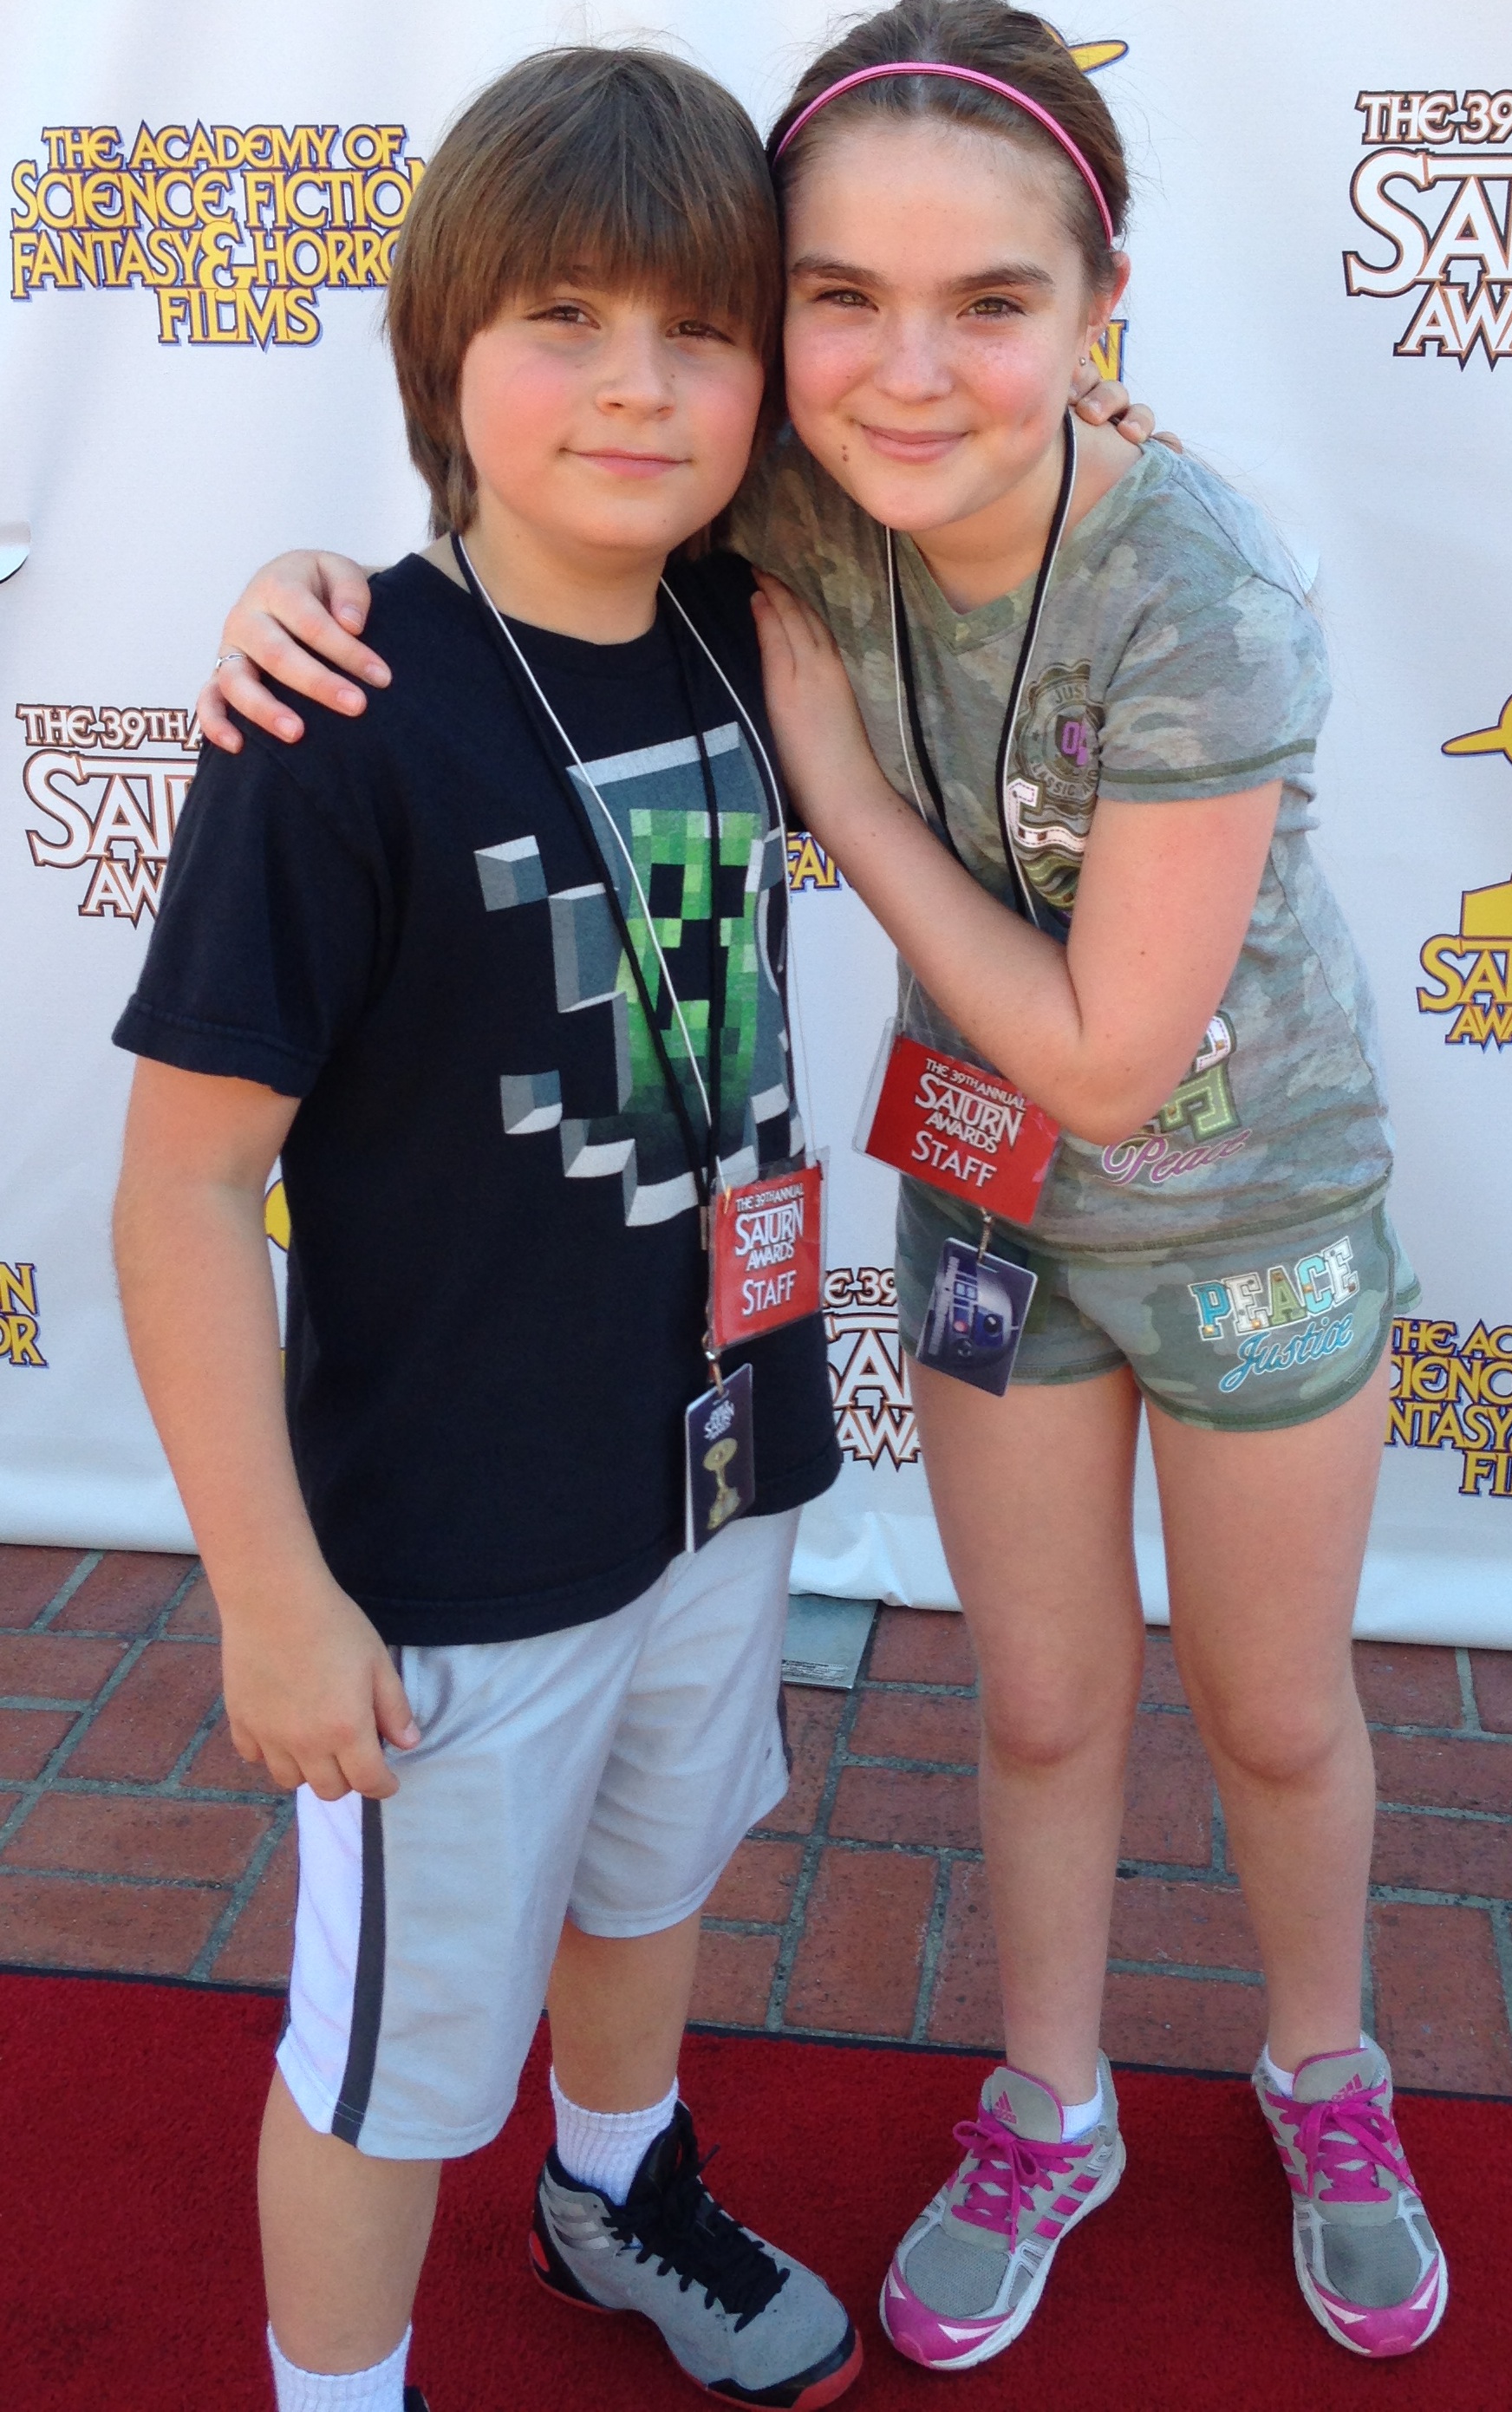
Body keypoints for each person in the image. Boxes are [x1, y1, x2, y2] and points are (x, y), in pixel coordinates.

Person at [196, 0, 1448, 2376]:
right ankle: (1048, 2103)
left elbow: (1100, 1055)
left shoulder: (1197, 586)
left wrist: (844, 801)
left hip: (1243, 1218)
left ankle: (1325, 2070)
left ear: (1098, 318)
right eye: (837, 301)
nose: (900, 368)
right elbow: (522, 512)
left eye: (991, 302)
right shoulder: (774, 502)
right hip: (981, 1233)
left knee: (1274, 1716)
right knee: (1045, 1703)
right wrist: (291, 584)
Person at [112, 49, 863, 2412]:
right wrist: (269, 1591)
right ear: (445, 346)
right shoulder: (331, 716)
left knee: (650, 1880)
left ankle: (613, 2181)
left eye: (701, 328)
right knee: (388, 2055)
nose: (637, 386)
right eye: (562, 316)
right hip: (443, 1551)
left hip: (718, 1463)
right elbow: (182, 1191)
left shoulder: (763, 625)